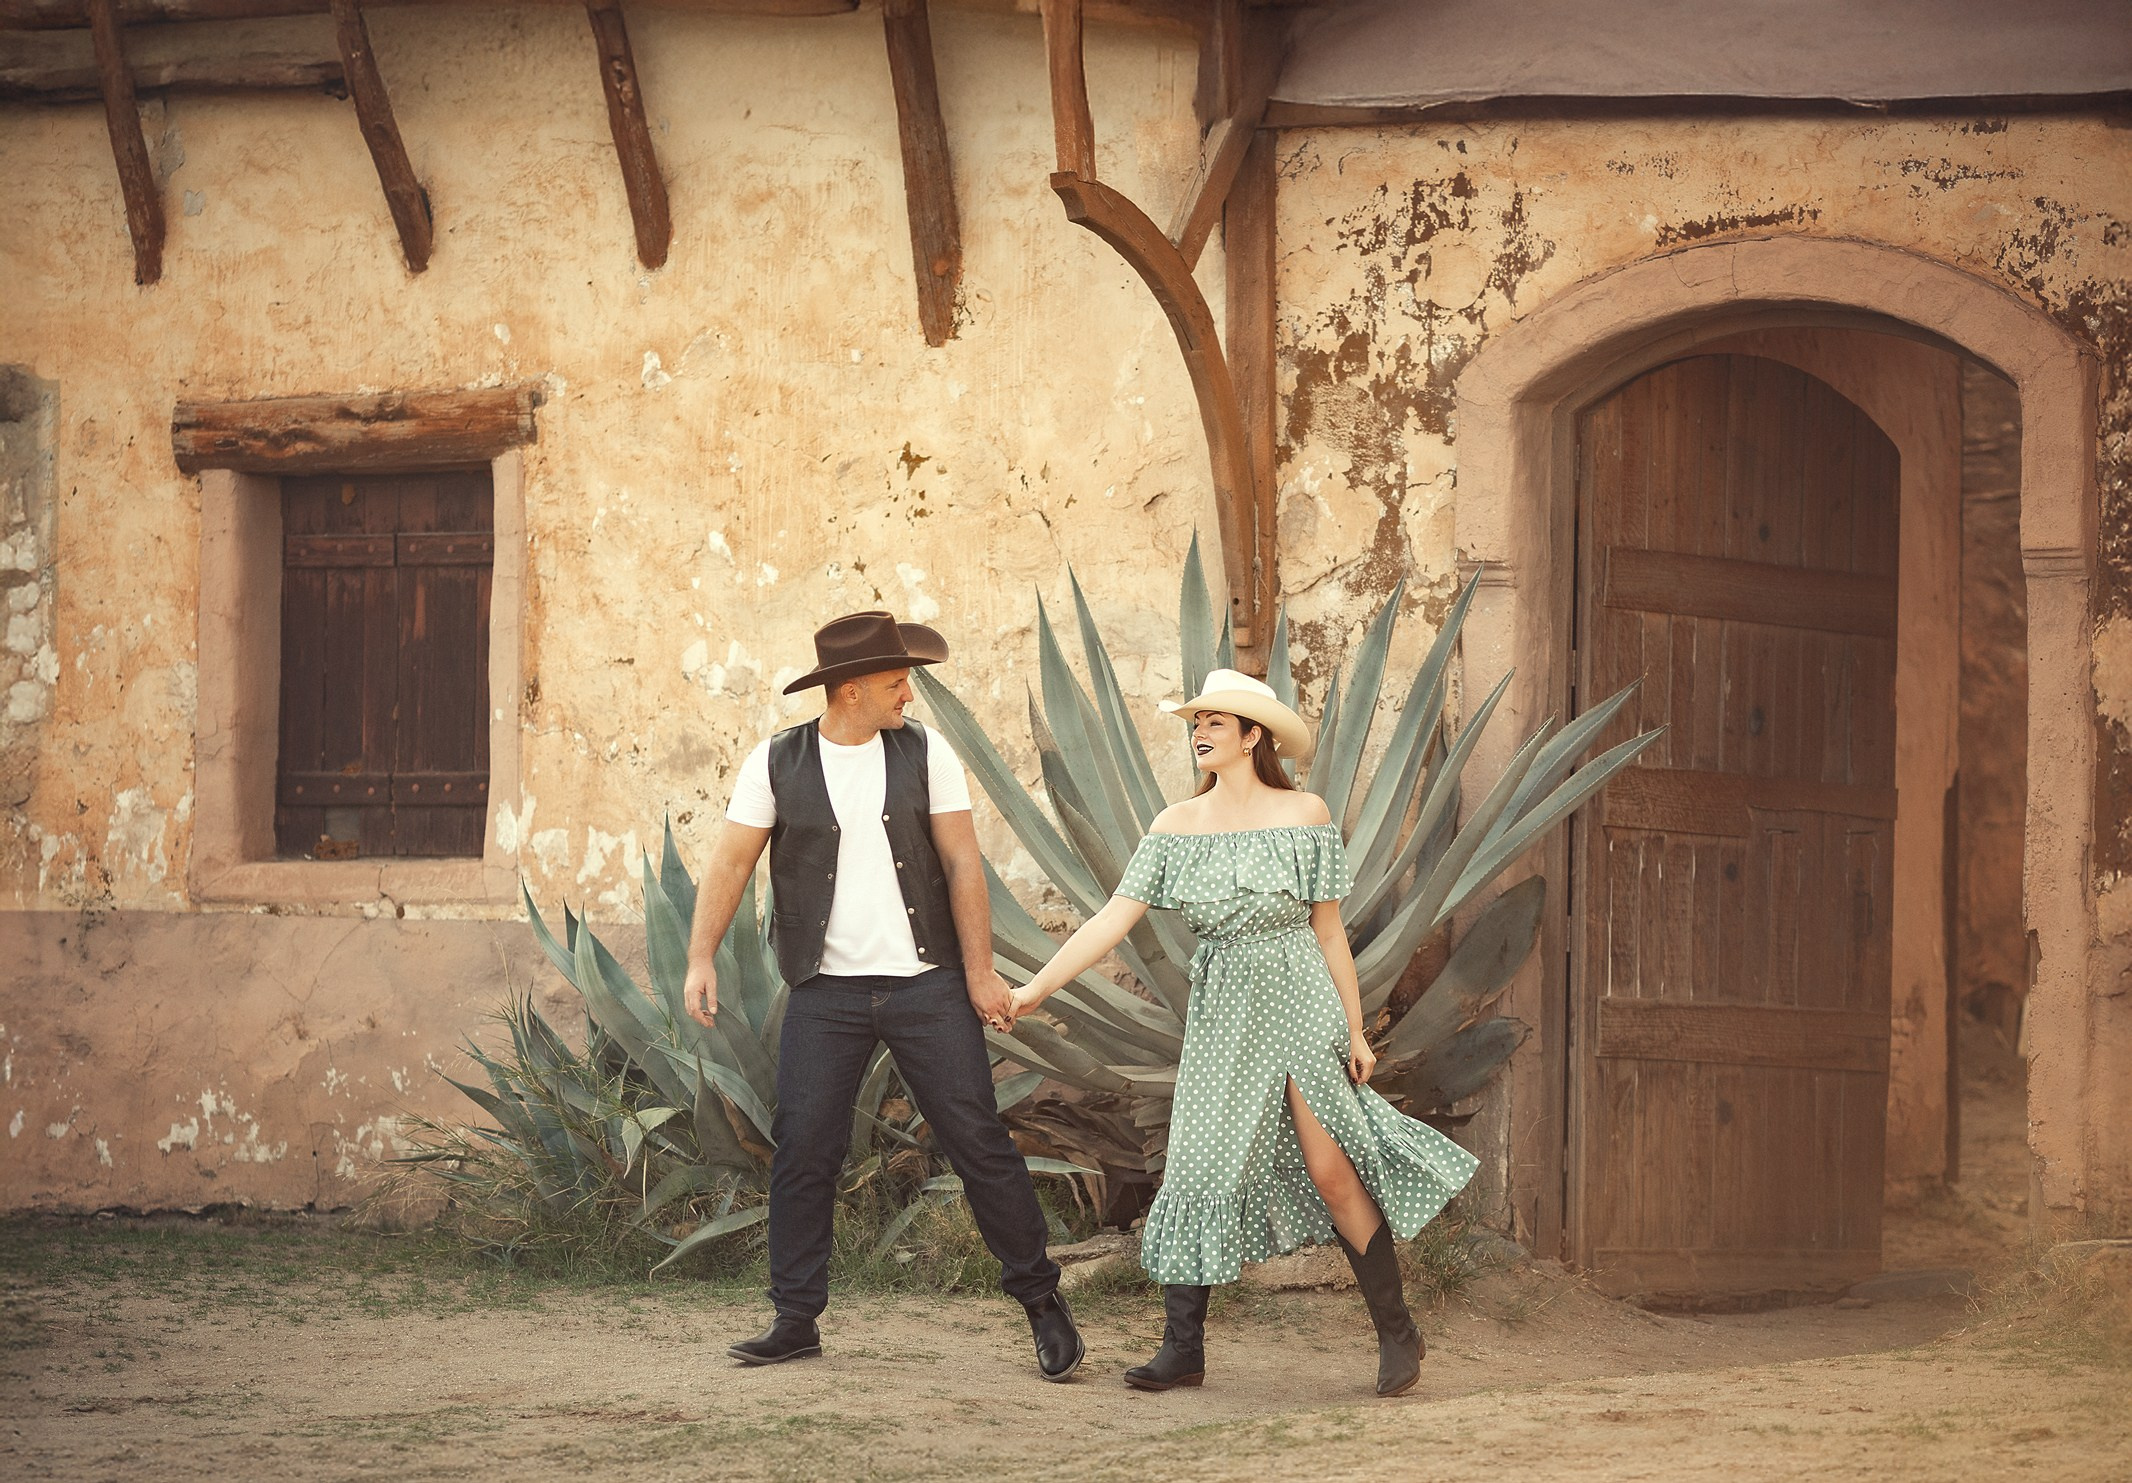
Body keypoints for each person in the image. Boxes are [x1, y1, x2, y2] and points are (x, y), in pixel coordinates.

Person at [1005, 668, 1477, 1397]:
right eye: (1196, 722)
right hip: (1224, 1013)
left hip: (1299, 1004)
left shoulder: (1304, 812)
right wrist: (1034, 990)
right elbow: (1111, 920)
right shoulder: (1174, 826)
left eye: (1215, 721)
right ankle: (1182, 1349)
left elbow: (1328, 932)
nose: (1199, 732)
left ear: (1253, 735)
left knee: (1331, 1169)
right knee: (1198, 1166)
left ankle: (1396, 1333)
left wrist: (1355, 1030)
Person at [683, 610, 1083, 1382]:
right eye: (897, 681)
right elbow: (731, 861)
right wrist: (701, 955)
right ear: (851, 689)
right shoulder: (774, 762)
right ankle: (795, 1319)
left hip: (926, 984)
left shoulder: (928, 753)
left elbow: (963, 863)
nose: (909, 694)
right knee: (803, 1149)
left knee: (978, 1140)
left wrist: (978, 972)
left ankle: (1042, 1301)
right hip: (824, 991)